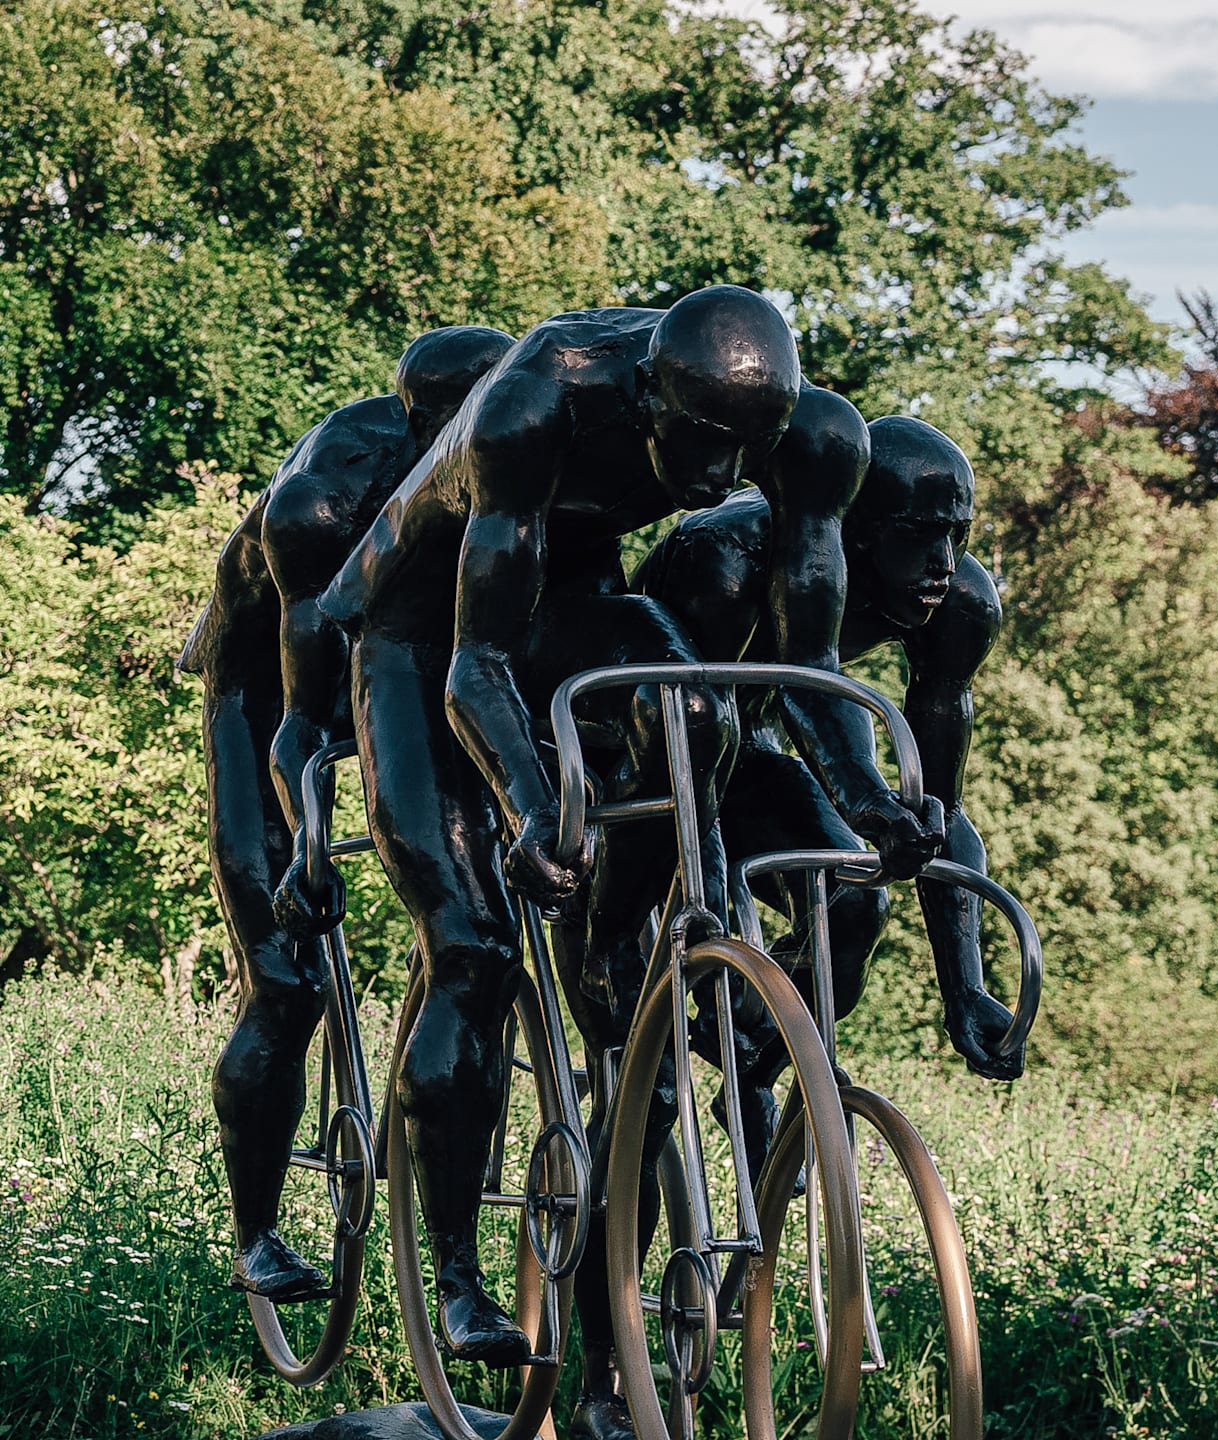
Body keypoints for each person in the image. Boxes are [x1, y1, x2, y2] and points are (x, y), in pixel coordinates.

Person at [315, 289, 943, 1438]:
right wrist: (533, 802)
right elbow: (477, 665)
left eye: (738, 452)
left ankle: (672, 987)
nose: (714, 474)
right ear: (647, 395)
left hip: (579, 601)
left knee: (699, 711)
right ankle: (456, 1271)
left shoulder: (818, 443)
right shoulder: (537, 398)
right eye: (694, 443)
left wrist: (870, 800)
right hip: (423, 633)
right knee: (471, 944)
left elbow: (806, 663)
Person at [182, 325, 515, 1304]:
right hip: (261, 704)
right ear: (426, 429)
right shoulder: (323, 502)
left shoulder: (488, 477)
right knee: (286, 981)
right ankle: (255, 1233)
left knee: (472, 926)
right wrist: (307, 852)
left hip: (398, 667)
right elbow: (302, 724)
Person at [632, 415, 1022, 1169]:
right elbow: (691, 742)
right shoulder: (731, 555)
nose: (943, 563)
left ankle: (753, 1062)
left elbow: (942, 807)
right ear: (858, 528)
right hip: (652, 745)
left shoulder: (960, 606)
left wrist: (964, 987)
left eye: (959, 534)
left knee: (855, 898)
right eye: (918, 534)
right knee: (714, 914)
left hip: (747, 750)